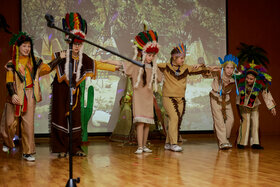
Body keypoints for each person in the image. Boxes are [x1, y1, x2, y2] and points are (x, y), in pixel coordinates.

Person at [49, 12, 118, 157]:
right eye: (75, 44)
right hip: (61, 91)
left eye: (80, 44)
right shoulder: (61, 55)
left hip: (75, 93)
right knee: (60, 117)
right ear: (69, 42)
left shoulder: (84, 58)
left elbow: (97, 64)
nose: (77, 47)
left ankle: (75, 148)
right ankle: (61, 148)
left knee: (76, 119)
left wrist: (115, 68)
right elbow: (51, 69)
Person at [0, 32, 64, 161]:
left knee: (28, 125)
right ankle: (7, 142)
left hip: (30, 95)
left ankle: (28, 152)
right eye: (24, 46)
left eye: (29, 46)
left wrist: (59, 58)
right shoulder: (12, 63)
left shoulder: (35, 61)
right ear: (18, 47)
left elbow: (47, 68)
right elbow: (9, 80)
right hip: (16, 95)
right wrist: (12, 94)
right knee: (9, 123)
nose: (27, 49)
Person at [103, 28, 162, 154]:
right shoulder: (136, 65)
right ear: (143, 54)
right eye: (148, 55)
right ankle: (140, 146)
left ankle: (145, 145)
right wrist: (108, 61)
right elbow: (121, 63)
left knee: (147, 123)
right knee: (140, 123)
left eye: (152, 56)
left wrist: (156, 69)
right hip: (139, 98)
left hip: (148, 98)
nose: (150, 58)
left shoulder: (153, 67)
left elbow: (160, 78)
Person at [157, 43, 209, 152]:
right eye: (181, 58)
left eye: (183, 58)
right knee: (174, 118)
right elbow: (151, 65)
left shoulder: (186, 67)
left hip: (180, 99)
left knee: (176, 120)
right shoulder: (165, 66)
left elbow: (202, 70)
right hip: (168, 97)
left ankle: (167, 143)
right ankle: (173, 143)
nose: (183, 60)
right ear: (174, 58)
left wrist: (200, 65)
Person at [236, 63, 276, 149]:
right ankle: (241, 143)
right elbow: (234, 74)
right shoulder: (242, 81)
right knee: (245, 122)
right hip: (243, 104)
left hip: (254, 104)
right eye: (247, 78)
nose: (249, 80)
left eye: (251, 79)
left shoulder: (259, 84)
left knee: (255, 122)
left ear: (255, 79)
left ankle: (255, 143)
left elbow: (266, 94)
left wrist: (272, 107)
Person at [205, 54, 239, 150]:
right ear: (224, 67)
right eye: (227, 67)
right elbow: (206, 72)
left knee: (231, 119)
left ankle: (225, 138)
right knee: (219, 120)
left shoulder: (235, 76)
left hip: (226, 98)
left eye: (231, 68)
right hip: (215, 97)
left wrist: (219, 67)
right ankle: (222, 142)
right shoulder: (218, 72)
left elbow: (241, 72)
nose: (229, 70)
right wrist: (217, 68)